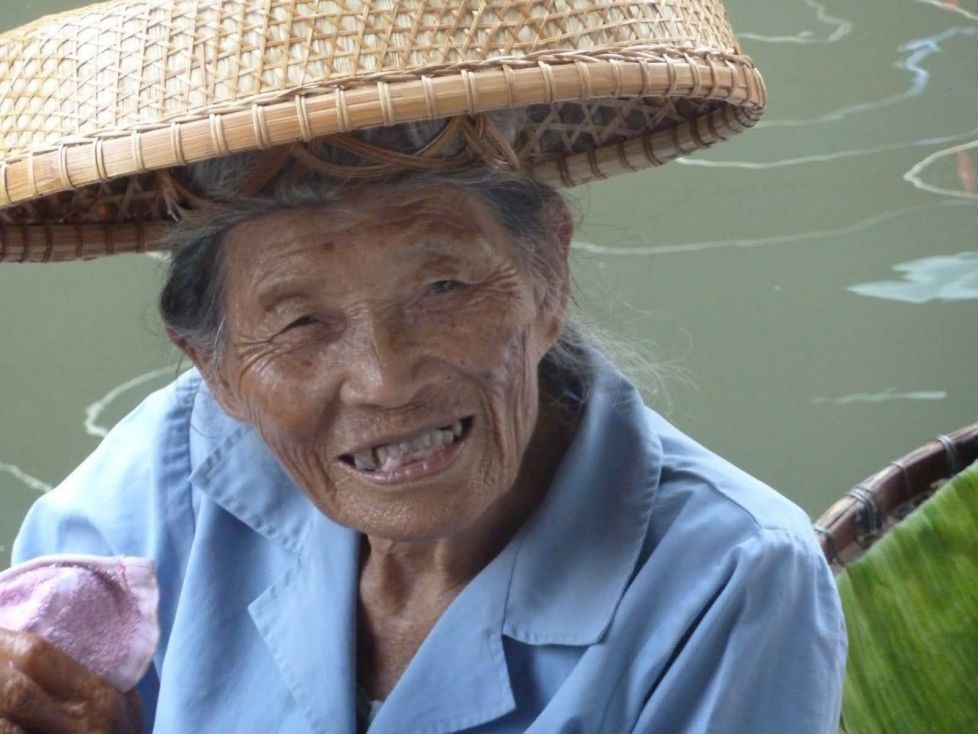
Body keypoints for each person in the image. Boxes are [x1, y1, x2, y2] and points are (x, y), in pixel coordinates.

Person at [0, 1, 845, 732]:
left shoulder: (728, 579)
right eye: (300, 323)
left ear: (548, 277)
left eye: (443, 288)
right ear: (213, 367)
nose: (386, 380)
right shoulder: (166, 476)